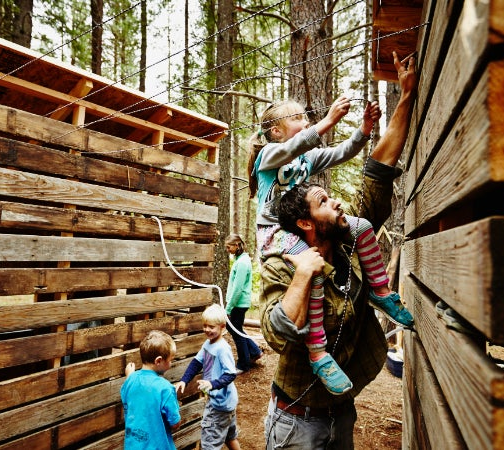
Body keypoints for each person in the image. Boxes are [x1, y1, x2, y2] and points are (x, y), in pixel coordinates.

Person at [259, 51, 418, 449]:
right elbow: (275, 333)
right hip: (295, 422)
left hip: (342, 413)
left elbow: (378, 168)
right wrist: (303, 273)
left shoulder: (350, 240)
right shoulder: (283, 262)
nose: (338, 203)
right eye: (325, 201)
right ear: (307, 223)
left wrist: (406, 96)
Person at [174, 304, 241, 450]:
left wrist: (213, 384)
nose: (207, 329)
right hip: (227, 403)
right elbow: (197, 362)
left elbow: (231, 374)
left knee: (209, 444)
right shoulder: (208, 343)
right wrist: (184, 380)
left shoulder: (222, 348)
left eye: (211, 327)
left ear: (222, 327)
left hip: (219, 405)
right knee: (230, 437)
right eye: (205, 325)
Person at [120, 330, 182, 450]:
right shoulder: (165, 388)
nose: (171, 363)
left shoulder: (130, 380)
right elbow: (175, 424)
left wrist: (129, 376)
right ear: (158, 361)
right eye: (171, 360)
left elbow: (128, 395)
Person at [223, 234, 263, 373]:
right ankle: (255, 351)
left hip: (238, 304)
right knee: (236, 329)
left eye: (229, 247)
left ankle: (243, 364)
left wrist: (228, 308)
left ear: (236, 245)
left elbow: (238, 288)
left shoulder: (242, 263)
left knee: (236, 332)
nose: (227, 250)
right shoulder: (241, 260)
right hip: (238, 303)